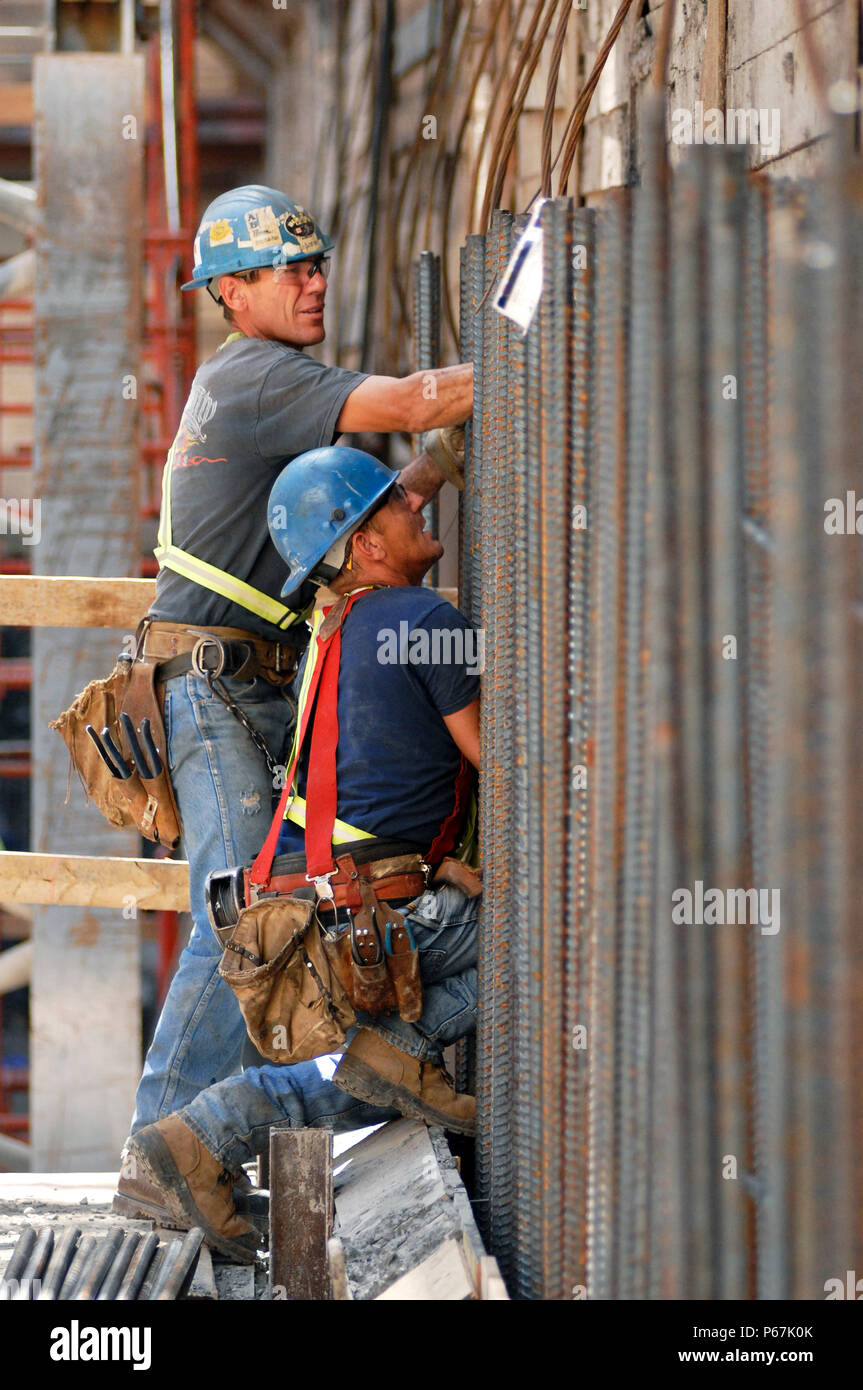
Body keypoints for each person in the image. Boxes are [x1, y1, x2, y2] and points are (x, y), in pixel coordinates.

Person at [128, 185, 472, 1140]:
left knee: (275, 912)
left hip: (242, 686)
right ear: (232, 291)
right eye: (290, 270)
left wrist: (438, 463)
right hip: (218, 690)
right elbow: (410, 401)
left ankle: (201, 1139)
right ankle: (161, 1146)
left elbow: (358, 524)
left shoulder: (249, 379)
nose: (314, 283)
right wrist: (544, 338)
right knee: (247, 921)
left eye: (316, 263)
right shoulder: (257, 375)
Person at [116, 446, 481, 1262]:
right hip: (361, 917)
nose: (417, 507)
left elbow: (380, 778)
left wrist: (438, 862)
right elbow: (502, 759)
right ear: (364, 547)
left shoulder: (337, 628)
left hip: (323, 906)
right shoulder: (425, 622)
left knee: (378, 1072)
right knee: (531, 950)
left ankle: (226, 1126)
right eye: (394, 502)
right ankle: (208, 1130)